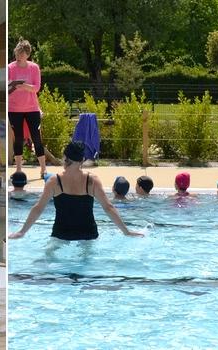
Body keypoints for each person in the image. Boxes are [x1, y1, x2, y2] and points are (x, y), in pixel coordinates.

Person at [8, 141, 143, 249]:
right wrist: (126, 231)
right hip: (88, 233)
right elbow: (108, 207)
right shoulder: (92, 180)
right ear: (82, 160)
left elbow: (38, 208)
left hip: (62, 233)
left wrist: (22, 232)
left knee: (48, 260)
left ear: (65, 158)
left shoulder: (54, 181)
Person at [8, 38, 46, 178]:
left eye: (21, 54)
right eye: (17, 53)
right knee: (17, 138)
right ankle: (18, 169)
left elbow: (36, 87)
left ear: (27, 55)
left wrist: (24, 86)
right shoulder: (10, 67)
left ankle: (43, 169)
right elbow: (6, 87)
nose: (18, 56)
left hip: (32, 108)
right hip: (14, 109)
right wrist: (11, 85)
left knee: (36, 138)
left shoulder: (34, 67)